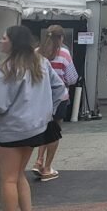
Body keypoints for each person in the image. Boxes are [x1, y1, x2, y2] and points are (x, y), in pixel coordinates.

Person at [0, 25, 67, 211]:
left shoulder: (8, 67)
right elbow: (60, 89)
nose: (0, 40)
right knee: (18, 176)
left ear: (13, 42)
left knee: (7, 179)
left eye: (4, 37)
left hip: (13, 128)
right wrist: (46, 109)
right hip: (37, 127)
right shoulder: (40, 62)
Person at [32, 25, 78, 182]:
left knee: (43, 129)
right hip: (59, 98)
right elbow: (72, 78)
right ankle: (47, 167)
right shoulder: (64, 53)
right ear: (61, 38)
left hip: (40, 98)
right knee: (54, 132)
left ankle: (38, 161)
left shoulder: (36, 53)